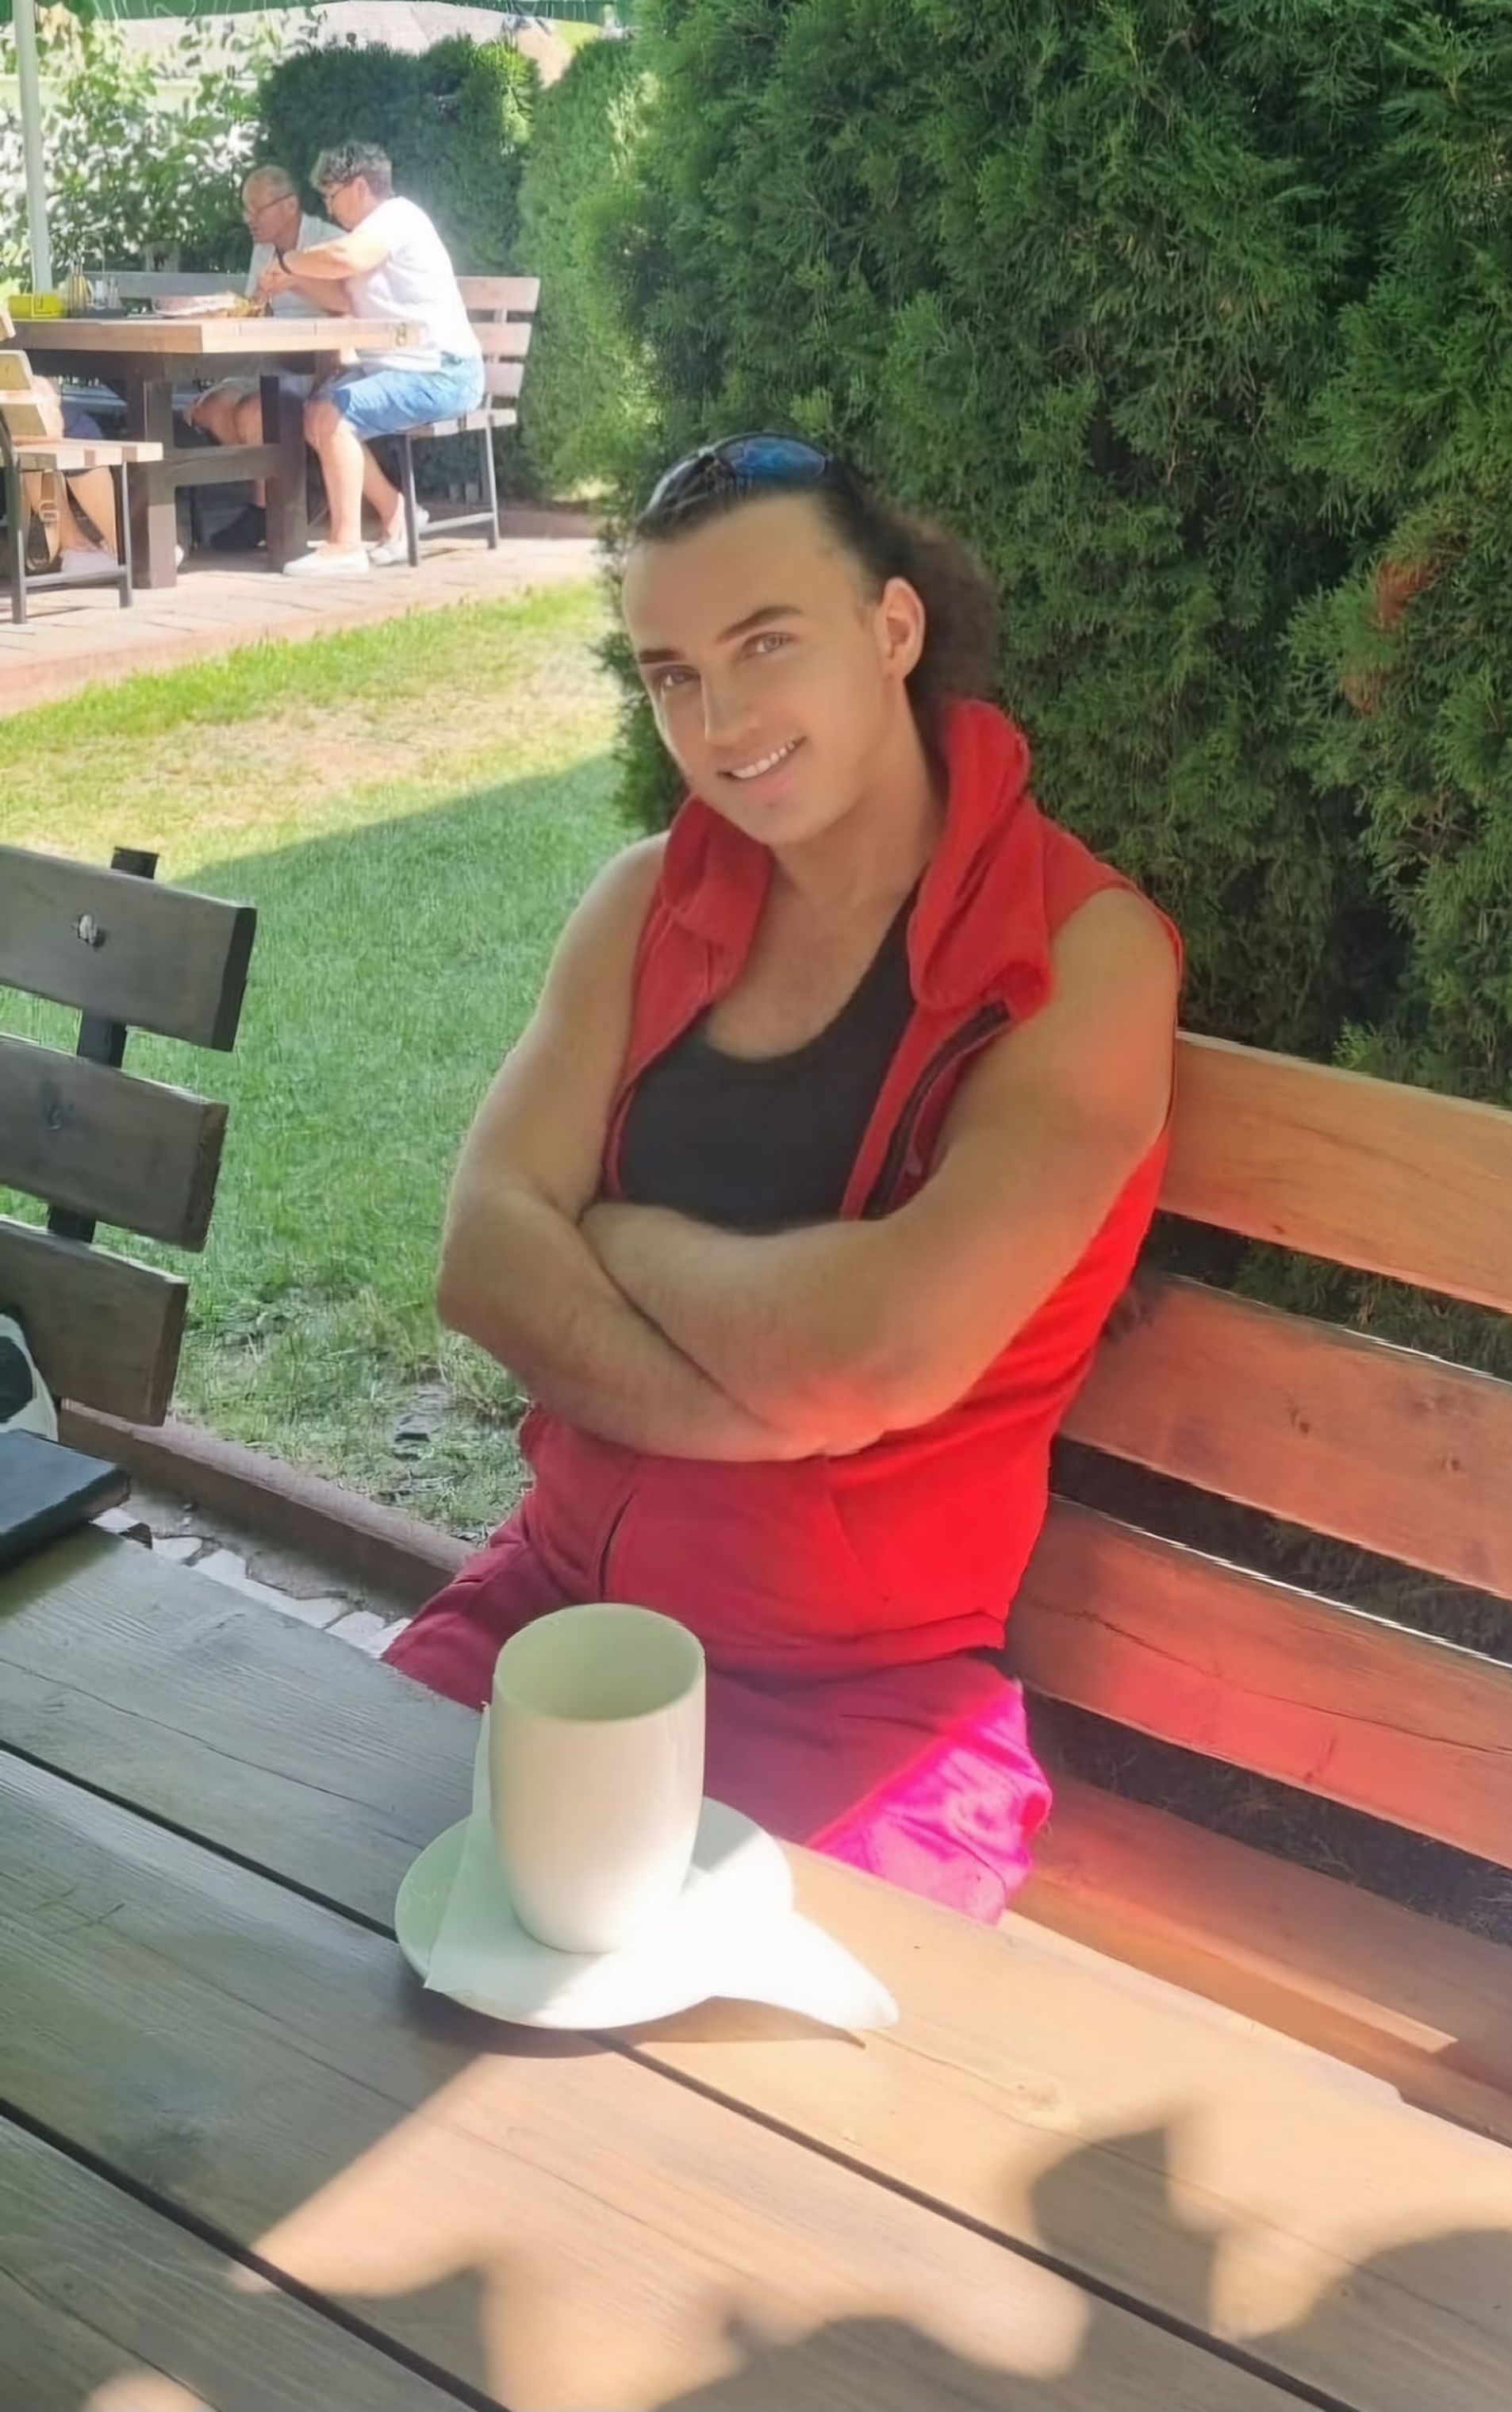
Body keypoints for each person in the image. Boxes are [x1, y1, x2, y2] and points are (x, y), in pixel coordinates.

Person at [384, 436, 1182, 1923]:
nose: (721, 720)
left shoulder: (1083, 960)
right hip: (557, 1618)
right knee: (313, 1930)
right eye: (672, 673)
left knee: (736, 2069)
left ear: (894, 628)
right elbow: (484, 1258)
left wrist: (613, 1235)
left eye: (766, 645)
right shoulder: (644, 903)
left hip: (865, 1703)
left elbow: (884, 1351)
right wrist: (751, 1415)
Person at [253, 140, 483, 578]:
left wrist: (289, 259)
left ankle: (346, 546)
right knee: (314, 414)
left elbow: (344, 258)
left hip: (442, 371)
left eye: (331, 195)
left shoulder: (396, 218)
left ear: (359, 187)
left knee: (331, 414)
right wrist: (293, 281)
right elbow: (343, 297)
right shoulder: (370, 234)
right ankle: (398, 514)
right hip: (400, 367)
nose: (328, 206)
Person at [184, 165, 336, 555]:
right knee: (210, 407)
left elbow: (348, 309)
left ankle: (267, 510)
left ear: (290, 205)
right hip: (268, 361)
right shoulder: (264, 249)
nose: (249, 218)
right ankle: (285, 487)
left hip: (319, 363)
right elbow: (255, 306)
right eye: (245, 209)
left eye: (257, 208)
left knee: (257, 415)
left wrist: (297, 280)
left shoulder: (327, 243)